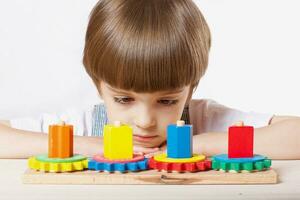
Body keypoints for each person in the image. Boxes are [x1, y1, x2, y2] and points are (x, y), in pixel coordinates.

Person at [1, 0, 300, 159]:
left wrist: (202, 144)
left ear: (190, 88)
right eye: (124, 99)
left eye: (167, 100)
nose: (144, 120)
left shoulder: (205, 121)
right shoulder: (81, 126)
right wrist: (85, 145)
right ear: (98, 85)